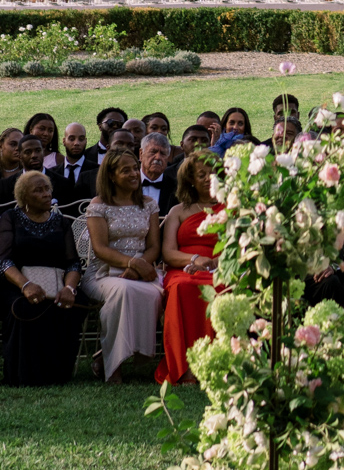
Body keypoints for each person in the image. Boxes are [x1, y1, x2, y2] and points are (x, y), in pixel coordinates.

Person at [82, 149, 164, 383]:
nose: (133, 174)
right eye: (124, 170)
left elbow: (154, 247)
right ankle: (113, 365)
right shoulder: (98, 205)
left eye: (134, 168)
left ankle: (105, 356)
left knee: (155, 293)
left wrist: (139, 267)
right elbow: (100, 249)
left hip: (142, 270)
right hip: (103, 273)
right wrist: (131, 263)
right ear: (110, 175)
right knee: (123, 291)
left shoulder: (149, 204)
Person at [0, 170, 85, 385]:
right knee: (23, 307)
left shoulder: (61, 222)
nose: (46, 194)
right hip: (17, 284)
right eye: (38, 190)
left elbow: (73, 263)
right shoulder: (10, 218)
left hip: (56, 285)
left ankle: (57, 374)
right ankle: (24, 375)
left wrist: (69, 289)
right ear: (24, 196)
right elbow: (4, 261)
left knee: (71, 306)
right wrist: (25, 285)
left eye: (47, 188)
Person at [155, 154, 223, 385]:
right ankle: (185, 367)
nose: (207, 178)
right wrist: (195, 258)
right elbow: (168, 253)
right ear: (190, 179)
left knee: (220, 287)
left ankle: (218, 363)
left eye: (212, 173)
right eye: (201, 174)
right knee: (182, 287)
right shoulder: (178, 211)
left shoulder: (233, 209)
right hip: (183, 268)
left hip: (221, 268)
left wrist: (216, 262)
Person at [54, 123, 97, 209]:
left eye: (81, 139)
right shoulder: (53, 173)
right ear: (64, 141)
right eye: (71, 139)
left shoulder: (96, 170)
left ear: (86, 141)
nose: (76, 143)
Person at [0, 136, 50, 203]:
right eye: (28, 152)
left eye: (38, 151)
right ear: (20, 155)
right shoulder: (5, 186)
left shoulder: (61, 183)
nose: (34, 155)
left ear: (43, 152)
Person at [138, 132, 176, 217]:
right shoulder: (126, 184)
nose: (158, 157)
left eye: (163, 153)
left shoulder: (176, 188)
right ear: (141, 154)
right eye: (153, 152)